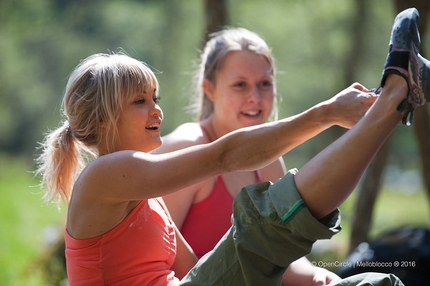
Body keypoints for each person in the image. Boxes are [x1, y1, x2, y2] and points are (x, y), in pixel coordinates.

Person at [35, 7, 427, 285]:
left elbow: (204, 269)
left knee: (373, 282)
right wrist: (326, 114)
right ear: (103, 118)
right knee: (265, 223)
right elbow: (225, 155)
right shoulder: (105, 175)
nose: (157, 109)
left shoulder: (142, 191)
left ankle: (397, 96)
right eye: (140, 101)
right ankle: (396, 97)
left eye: (155, 97)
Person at [154, 27, 346, 285]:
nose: (255, 98)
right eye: (240, 85)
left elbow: (276, 250)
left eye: (264, 84)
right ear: (209, 89)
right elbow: (153, 255)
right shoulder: (188, 147)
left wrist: (316, 276)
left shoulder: (269, 160)